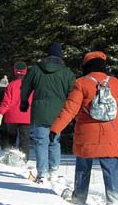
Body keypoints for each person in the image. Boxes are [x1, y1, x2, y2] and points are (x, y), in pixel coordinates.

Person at [50, 51, 118, 205]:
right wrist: (111, 121)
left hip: (87, 133)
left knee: (83, 166)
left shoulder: (81, 83)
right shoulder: (114, 83)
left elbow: (69, 109)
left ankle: (79, 196)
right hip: (111, 133)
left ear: (86, 66)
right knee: (111, 167)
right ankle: (115, 202)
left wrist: (55, 129)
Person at [19, 43, 76, 182]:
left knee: (40, 142)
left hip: (40, 111)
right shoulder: (67, 73)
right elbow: (73, 94)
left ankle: (42, 173)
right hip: (59, 113)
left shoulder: (36, 70)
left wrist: (24, 102)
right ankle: (54, 171)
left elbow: (25, 87)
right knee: (54, 141)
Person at [0, 61, 33, 160]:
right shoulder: (32, 85)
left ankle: (9, 157)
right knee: (24, 139)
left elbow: (6, 101)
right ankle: (24, 159)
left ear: (15, 71)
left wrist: (0, 113)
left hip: (12, 116)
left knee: (11, 137)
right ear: (25, 71)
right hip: (26, 117)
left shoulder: (11, 85)